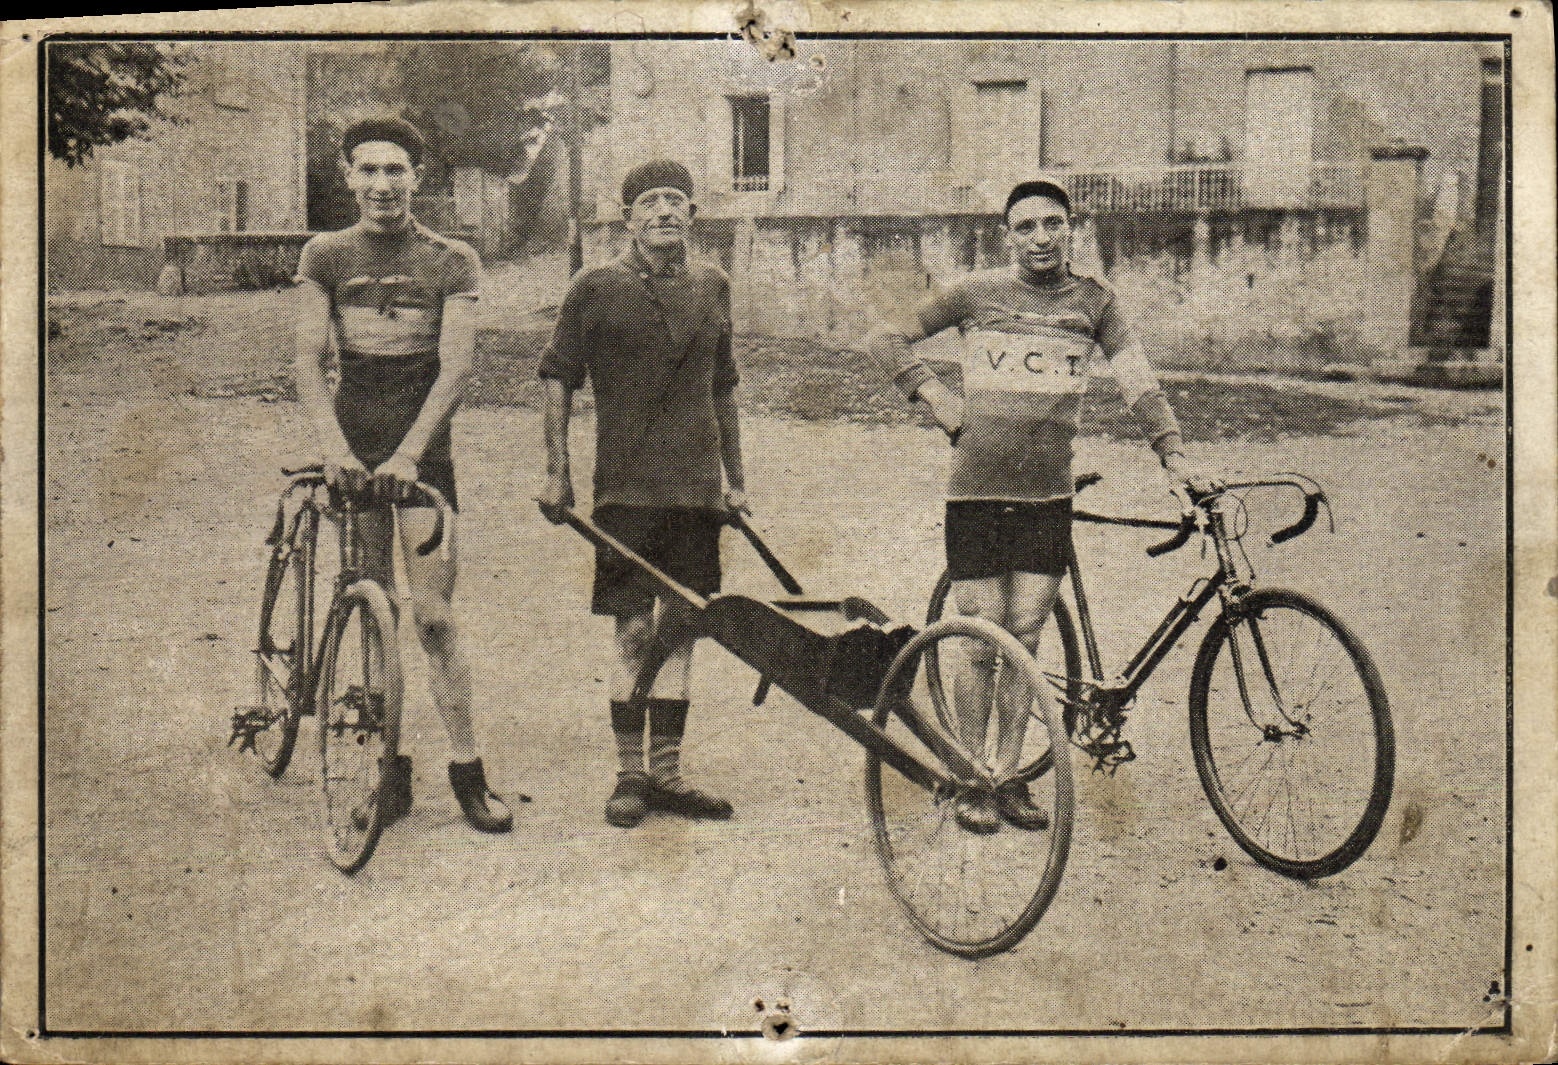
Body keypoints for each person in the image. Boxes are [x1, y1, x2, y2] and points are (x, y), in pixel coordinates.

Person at [864, 178, 1218, 834]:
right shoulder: (975, 293)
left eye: (1053, 223)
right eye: (1025, 226)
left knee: (1025, 636)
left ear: (1071, 229)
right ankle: (970, 775)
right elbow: (887, 337)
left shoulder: (1095, 301)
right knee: (981, 639)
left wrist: (1174, 455)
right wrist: (937, 399)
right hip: (976, 490)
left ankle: (1007, 775)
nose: (1041, 237)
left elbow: (1139, 382)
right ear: (1007, 236)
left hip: (1046, 495)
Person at [293, 116, 512, 834]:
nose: (383, 184)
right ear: (348, 177)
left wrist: (410, 454)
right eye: (369, 170)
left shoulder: (452, 259)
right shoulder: (325, 254)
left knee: (434, 618)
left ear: (419, 177)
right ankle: (388, 772)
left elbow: (456, 368)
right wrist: (336, 450)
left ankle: (469, 772)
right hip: (354, 450)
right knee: (372, 608)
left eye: (396, 170)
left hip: (423, 454)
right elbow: (308, 362)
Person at [537, 159, 747, 829]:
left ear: (693, 214)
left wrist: (736, 482)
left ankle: (667, 775)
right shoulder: (594, 287)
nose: (663, 211)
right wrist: (557, 470)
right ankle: (630, 775)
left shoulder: (713, 285)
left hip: (696, 492)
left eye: (675, 200)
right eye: (649, 201)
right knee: (632, 630)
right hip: (624, 493)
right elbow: (558, 376)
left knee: (682, 628)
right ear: (627, 218)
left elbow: (723, 386)